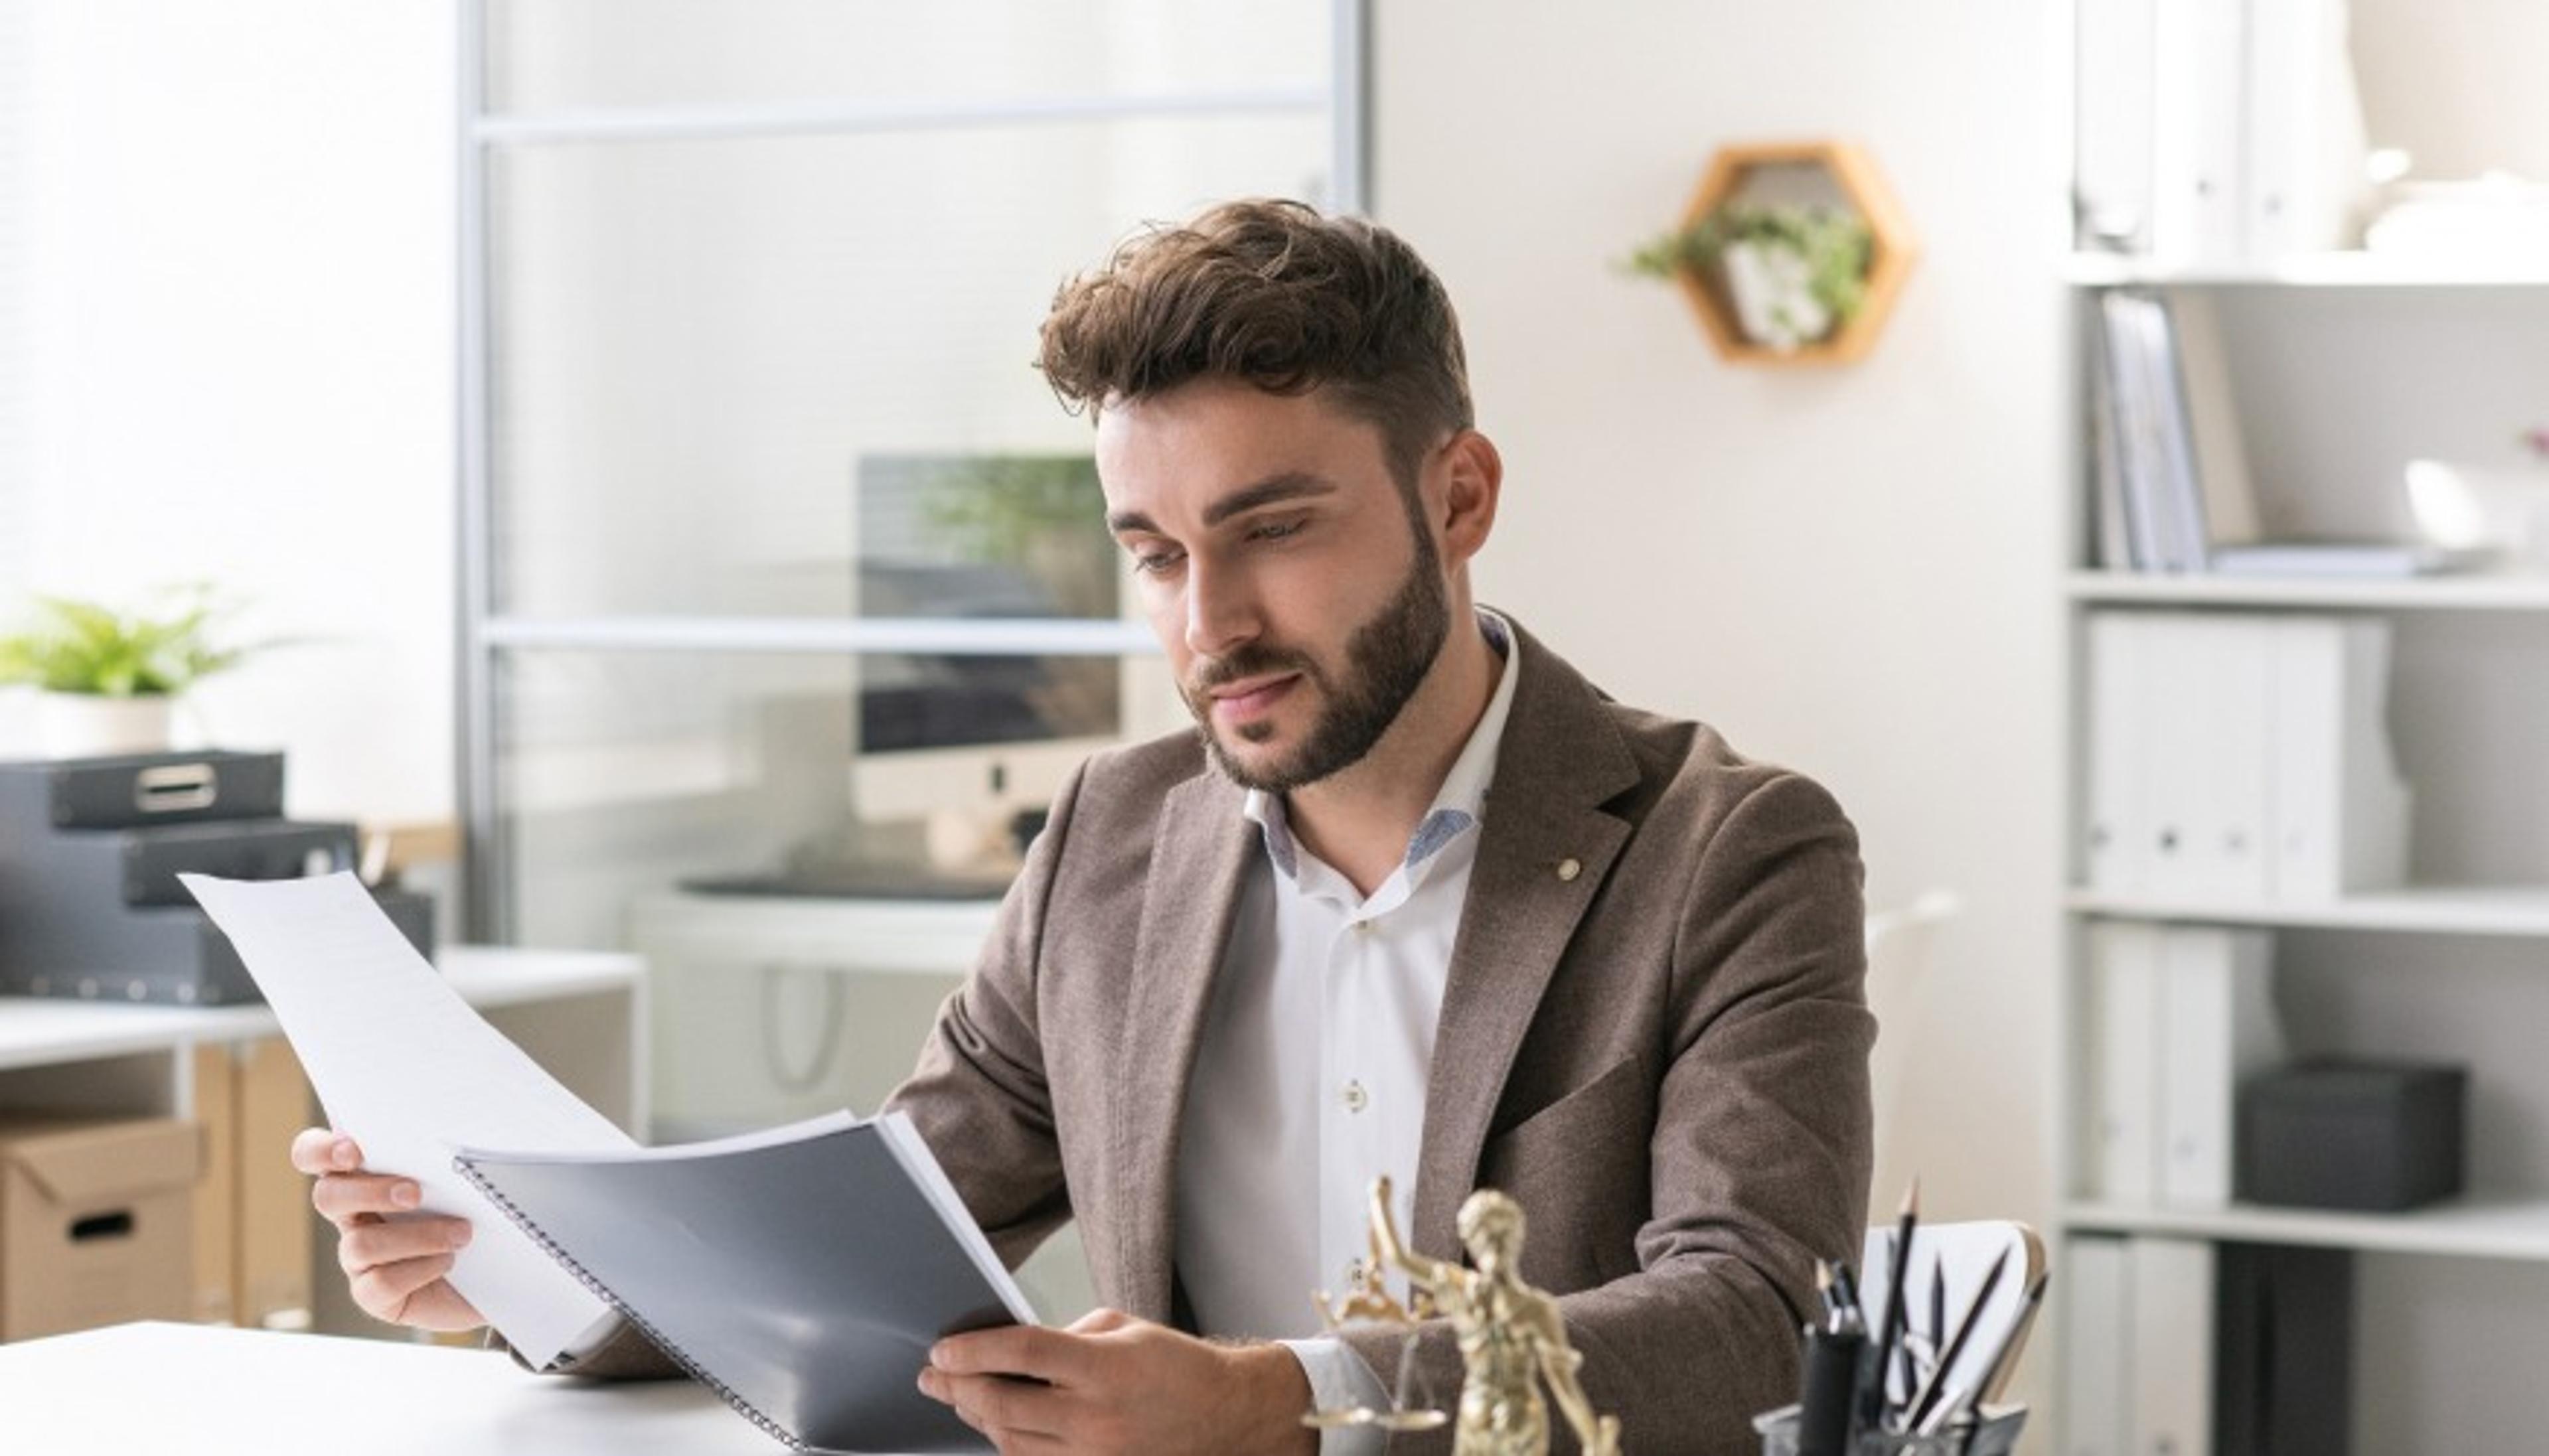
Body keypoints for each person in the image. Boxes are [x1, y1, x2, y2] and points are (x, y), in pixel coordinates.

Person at [293, 198, 1874, 1456]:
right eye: (1158, 553)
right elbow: (875, 1239)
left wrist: (1282, 1404)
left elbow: (1750, 1317)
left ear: (1458, 496)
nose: (1214, 624)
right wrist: (519, 1275)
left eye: (1274, 528)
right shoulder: (1115, 837)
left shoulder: (1727, 850)